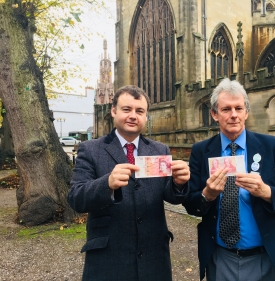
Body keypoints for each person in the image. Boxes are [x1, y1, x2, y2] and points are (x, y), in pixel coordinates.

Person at [182, 78, 275, 281]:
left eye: (239, 108)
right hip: (220, 258)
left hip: (266, 257)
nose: (233, 115)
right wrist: (207, 195)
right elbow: (190, 204)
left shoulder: (272, 146)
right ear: (214, 114)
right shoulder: (201, 151)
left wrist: (267, 192)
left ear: (246, 112)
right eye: (226, 109)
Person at [68, 85, 190, 281]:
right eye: (127, 109)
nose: (133, 116)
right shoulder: (90, 150)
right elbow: (76, 198)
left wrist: (179, 183)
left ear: (146, 116)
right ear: (113, 111)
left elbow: (171, 196)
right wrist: (106, 183)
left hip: (154, 259)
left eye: (139, 111)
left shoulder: (160, 150)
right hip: (108, 259)